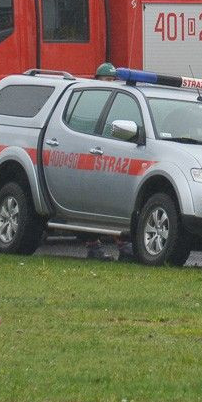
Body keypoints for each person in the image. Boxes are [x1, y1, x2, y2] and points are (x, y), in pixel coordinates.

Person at [85, 62, 135, 261]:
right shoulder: (91, 101)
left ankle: (123, 246)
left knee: (113, 205)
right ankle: (93, 247)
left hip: (111, 161)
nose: (111, 83)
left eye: (113, 80)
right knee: (92, 206)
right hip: (91, 160)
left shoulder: (118, 103)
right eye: (107, 79)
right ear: (97, 79)